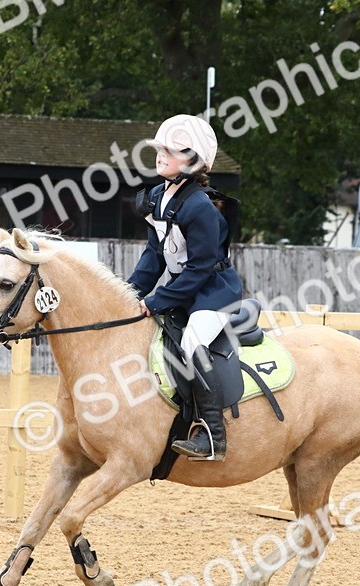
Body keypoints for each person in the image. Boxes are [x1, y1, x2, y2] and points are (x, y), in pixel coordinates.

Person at [128, 114, 242, 462]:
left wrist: (158, 299)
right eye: (160, 149)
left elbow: (200, 268)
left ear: (193, 161)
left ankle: (212, 435)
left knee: (193, 341)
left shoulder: (201, 207)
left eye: (171, 151)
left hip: (213, 292)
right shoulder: (159, 197)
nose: (161, 155)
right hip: (185, 289)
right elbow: (154, 256)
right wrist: (130, 292)